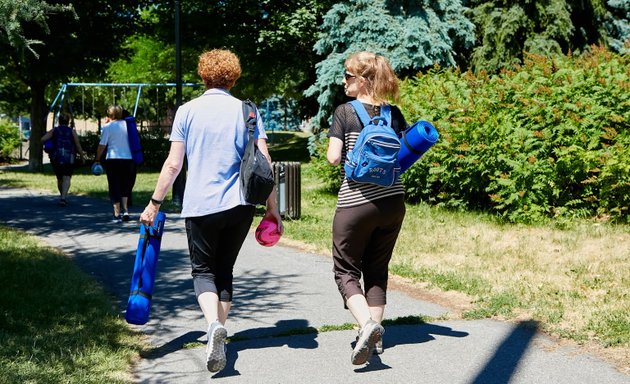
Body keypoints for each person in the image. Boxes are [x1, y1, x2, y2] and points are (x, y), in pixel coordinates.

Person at [139, 49, 283, 374]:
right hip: (241, 205)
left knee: (202, 271)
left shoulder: (187, 111)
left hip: (201, 205)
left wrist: (154, 202)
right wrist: (272, 208)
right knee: (225, 270)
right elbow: (264, 163)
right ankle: (218, 332)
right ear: (234, 76)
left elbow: (174, 164)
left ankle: (212, 326)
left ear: (203, 75)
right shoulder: (248, 111)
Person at [326, 52, 407, 365]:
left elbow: (334, 158)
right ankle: (375, 341)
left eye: (347, 75)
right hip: (393, 203)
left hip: (356, 203)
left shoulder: (345, 112)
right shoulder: (394, 113)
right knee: (377, 269)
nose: (343, 81)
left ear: (362, 80)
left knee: (345, 270)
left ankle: (368, 326)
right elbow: (403, 156)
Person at [94, 105, 134, 223]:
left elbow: (102, 145)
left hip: (113, 159)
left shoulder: (108, 127)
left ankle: (116, 214)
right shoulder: (128, 125)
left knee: (114, 185)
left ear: (110, 114)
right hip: (128, 158)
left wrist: (97, 159)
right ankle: (125, 210)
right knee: (125, 185)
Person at [41, 112, 85, 206]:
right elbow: (77, 145)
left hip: (56, 157)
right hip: (69, 157)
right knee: (67, 177)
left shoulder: (54, 130)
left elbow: (43, 139)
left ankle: (62, 196)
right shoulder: (71, 131)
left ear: (59, 121)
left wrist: (49, 144)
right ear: (68, 121)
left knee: (59, 178)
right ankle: (63, 197)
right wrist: (82, 156)